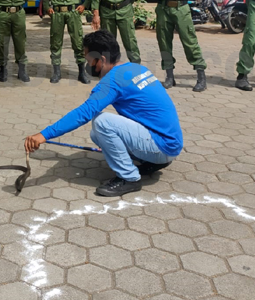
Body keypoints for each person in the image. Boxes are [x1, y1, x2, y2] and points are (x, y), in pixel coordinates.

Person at [24, 30, 183, 197]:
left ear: (102, 60)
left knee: (102, 122)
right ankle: (150, 161)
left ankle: (129, 178)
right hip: (171, 143)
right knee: (96, 134)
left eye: (89, 60)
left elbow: (83, 113)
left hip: (162, 146)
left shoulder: (113, 81)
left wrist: (44, 135)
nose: (88, 65)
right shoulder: (135, 68)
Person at [42, 0, 93, 84]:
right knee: (55, 43)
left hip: (73, 13)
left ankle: (81, 72)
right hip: (57, 13)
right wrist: (47, 7)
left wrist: (84, 5)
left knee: (78, 42)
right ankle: (56, 72)